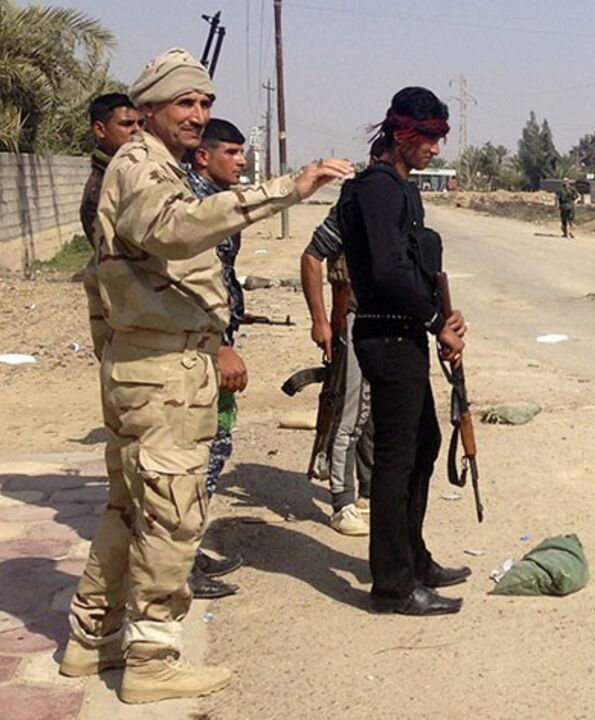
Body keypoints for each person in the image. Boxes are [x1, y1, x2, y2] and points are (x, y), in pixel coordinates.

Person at [60, 48, 351, 703]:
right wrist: (286, 190)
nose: (198, 115)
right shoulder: (141, 170)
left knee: (129, 508)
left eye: (205, 103)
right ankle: (152, 660)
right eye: (184, 103)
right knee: (172, 518)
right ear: (150, 108)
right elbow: (180, 229)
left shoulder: (151, 163)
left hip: (151, 364)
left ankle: (91, 638)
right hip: (161, 370)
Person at [341, 86, 470, 617]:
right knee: (396, 461)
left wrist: (443, 315)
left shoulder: (401, 188)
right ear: (401, 135)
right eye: (429, 139)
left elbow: (417, 268)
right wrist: (438, 322)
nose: (435, 150)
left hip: (405, 333)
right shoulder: (377, 190)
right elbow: (390, 272)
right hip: (386, 333)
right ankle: (392, 585)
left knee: (424, 443)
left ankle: (413, 558)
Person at [301, 145, 388, 536]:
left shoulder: (396, 205)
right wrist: (320, 320)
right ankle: (342, 501)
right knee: (349, 414)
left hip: (382, 322)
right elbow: (311, 257)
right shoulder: (353, 207)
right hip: (351, 316)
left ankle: (366, 492)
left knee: (371, 415)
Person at [184, 118, 251, 599]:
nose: (241, 160)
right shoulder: (192, 208)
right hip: (200, 349)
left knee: (214, 448)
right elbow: (189, 284)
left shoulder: (213, 202)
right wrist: (219, 344)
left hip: (213, 342)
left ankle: (189, 552)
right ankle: (179, 568)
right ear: (203, 157)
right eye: (231, 151)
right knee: (198, 455)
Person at [81, 94, 142, 358]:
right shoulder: (102, 191)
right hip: (126, 314)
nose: (137, 132)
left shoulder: (125, 176)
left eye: (140, 124)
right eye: (127, 125)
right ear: (100, 130)